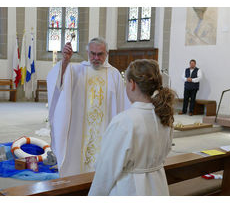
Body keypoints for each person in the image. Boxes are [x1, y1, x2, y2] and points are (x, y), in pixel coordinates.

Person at [88, 59, 175, 196]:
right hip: (158, 187)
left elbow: (106, 171)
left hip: (130, 189)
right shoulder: (165, 116)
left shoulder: (124, 121)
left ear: (132, 84)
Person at [47, 37, 128, 178]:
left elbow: (121, 106)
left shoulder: (114, 74)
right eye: (92, 54)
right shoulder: (77, 70)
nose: (96, 58)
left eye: (100, 54)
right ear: (87, 53)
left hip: (105, 131)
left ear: (107, 54)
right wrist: (65, 61)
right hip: (79, 133)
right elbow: (59, 86)